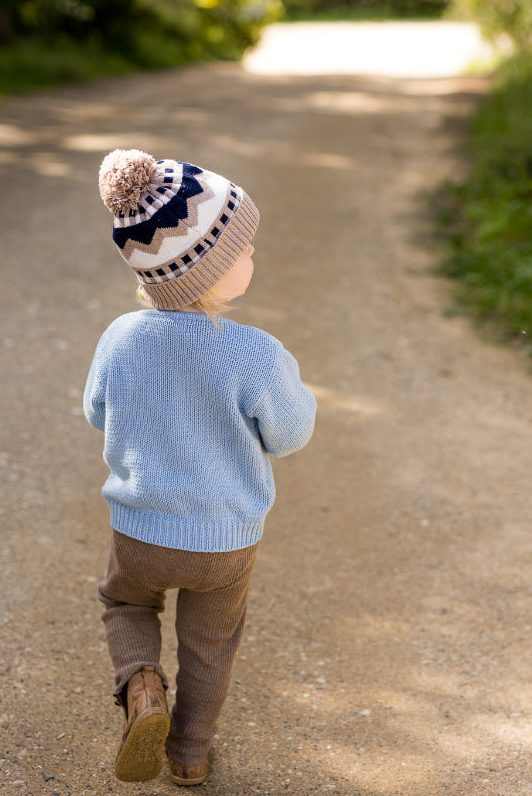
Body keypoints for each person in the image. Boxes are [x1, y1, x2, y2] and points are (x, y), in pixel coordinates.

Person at [84, 150, 317, 786]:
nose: (252, 257)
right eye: (243, 249)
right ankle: (188, 754)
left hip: (139, 533)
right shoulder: (256, 356)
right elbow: (291, 434)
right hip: (224, 541)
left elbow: (96, 413)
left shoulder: (119, 338)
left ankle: (142, 688)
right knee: (210, 642)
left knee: (125, 602)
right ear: (209, 272)